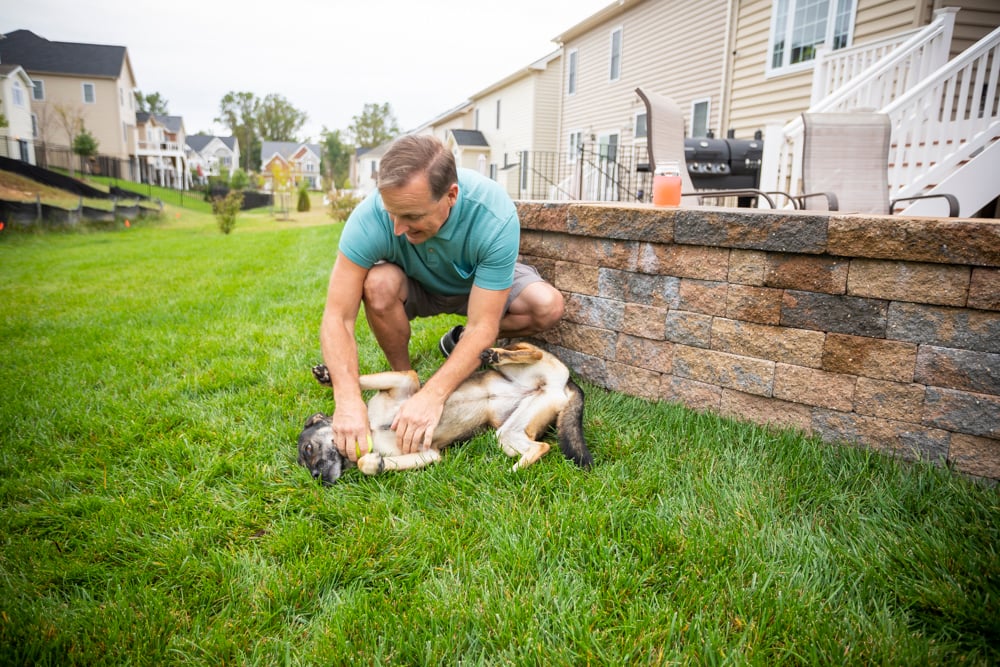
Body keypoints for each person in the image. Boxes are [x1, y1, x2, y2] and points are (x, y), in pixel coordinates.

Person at [319, 134, 564, 463]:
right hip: (415, 285)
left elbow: (483, 324)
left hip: (478, 289)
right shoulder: (369, 219)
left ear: (451, 195)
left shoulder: (493, 214)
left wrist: (436, 397)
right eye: (392, 212)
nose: (396, 228)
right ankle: (406, 383)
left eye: (412, 216)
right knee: (377, 283)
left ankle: (458, 345)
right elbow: (338, 317)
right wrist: (347, 398)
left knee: (546, 306)